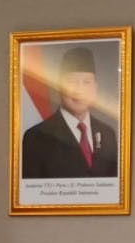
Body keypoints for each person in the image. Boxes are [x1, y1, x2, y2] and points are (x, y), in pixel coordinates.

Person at [21, 46, 119, 179]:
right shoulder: (36, 137)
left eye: (86, 82)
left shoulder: (107, 134)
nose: (79, 90)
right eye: (71, 82)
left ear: (95, 88)